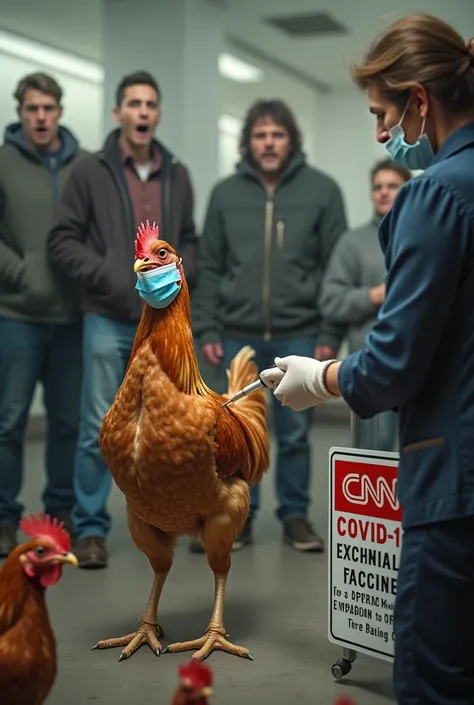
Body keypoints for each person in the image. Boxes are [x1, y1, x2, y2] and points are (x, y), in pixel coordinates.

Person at [263, 13, 474, 705]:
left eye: (384, 114)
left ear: (420, 100)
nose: (381, 136)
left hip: (454, 482)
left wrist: (316, 378)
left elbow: (392, 363)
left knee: (437, 678)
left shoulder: (437, 192)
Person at [48, 70, 198, 569]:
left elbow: (191, 240)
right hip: (109, 318)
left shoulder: (176, 171)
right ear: (118, 114)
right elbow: (62, 241)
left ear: (157, 114)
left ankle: (172, 516)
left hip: (164, 328)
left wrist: (180, 275)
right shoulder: (90, 172)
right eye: (133, 103)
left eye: (150, 104)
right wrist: (111, 277)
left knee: (174, 426)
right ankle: (90, 529)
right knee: (102, 425)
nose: (142, 111)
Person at [191, 99, 347, 553]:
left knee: (296, 433)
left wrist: (328, 335)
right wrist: (207, 330)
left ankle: (295, 516)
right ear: (248, 142)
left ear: (291, 140)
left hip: (299, 331)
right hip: (236, 333)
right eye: (260, 135)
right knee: (236, 433)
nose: (269, 142)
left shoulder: (322, 190)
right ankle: (237, 518)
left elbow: (334, 267)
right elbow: (210, 268)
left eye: (277, 134)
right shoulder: (225, 194)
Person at [0, 72, 86, 557]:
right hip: (16, 315)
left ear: (59, 110)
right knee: (8, 421)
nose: (40, 117)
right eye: (32, 108)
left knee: (67, 423)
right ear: (20, 112)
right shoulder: (3, 162)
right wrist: (22, 273)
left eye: (48, 108)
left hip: (72, 316)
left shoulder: (86, 165)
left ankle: (59, 515)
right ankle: (3, 518)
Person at [319, 158, 412, 452]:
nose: (384, 192)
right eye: (378, 187)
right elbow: (331, 301)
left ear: (408, 189)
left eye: (392, 186)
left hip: (420, 366)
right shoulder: (353, 243)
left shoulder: (424, 235)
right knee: (373, 454)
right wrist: (374, 295)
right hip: (370, 368)